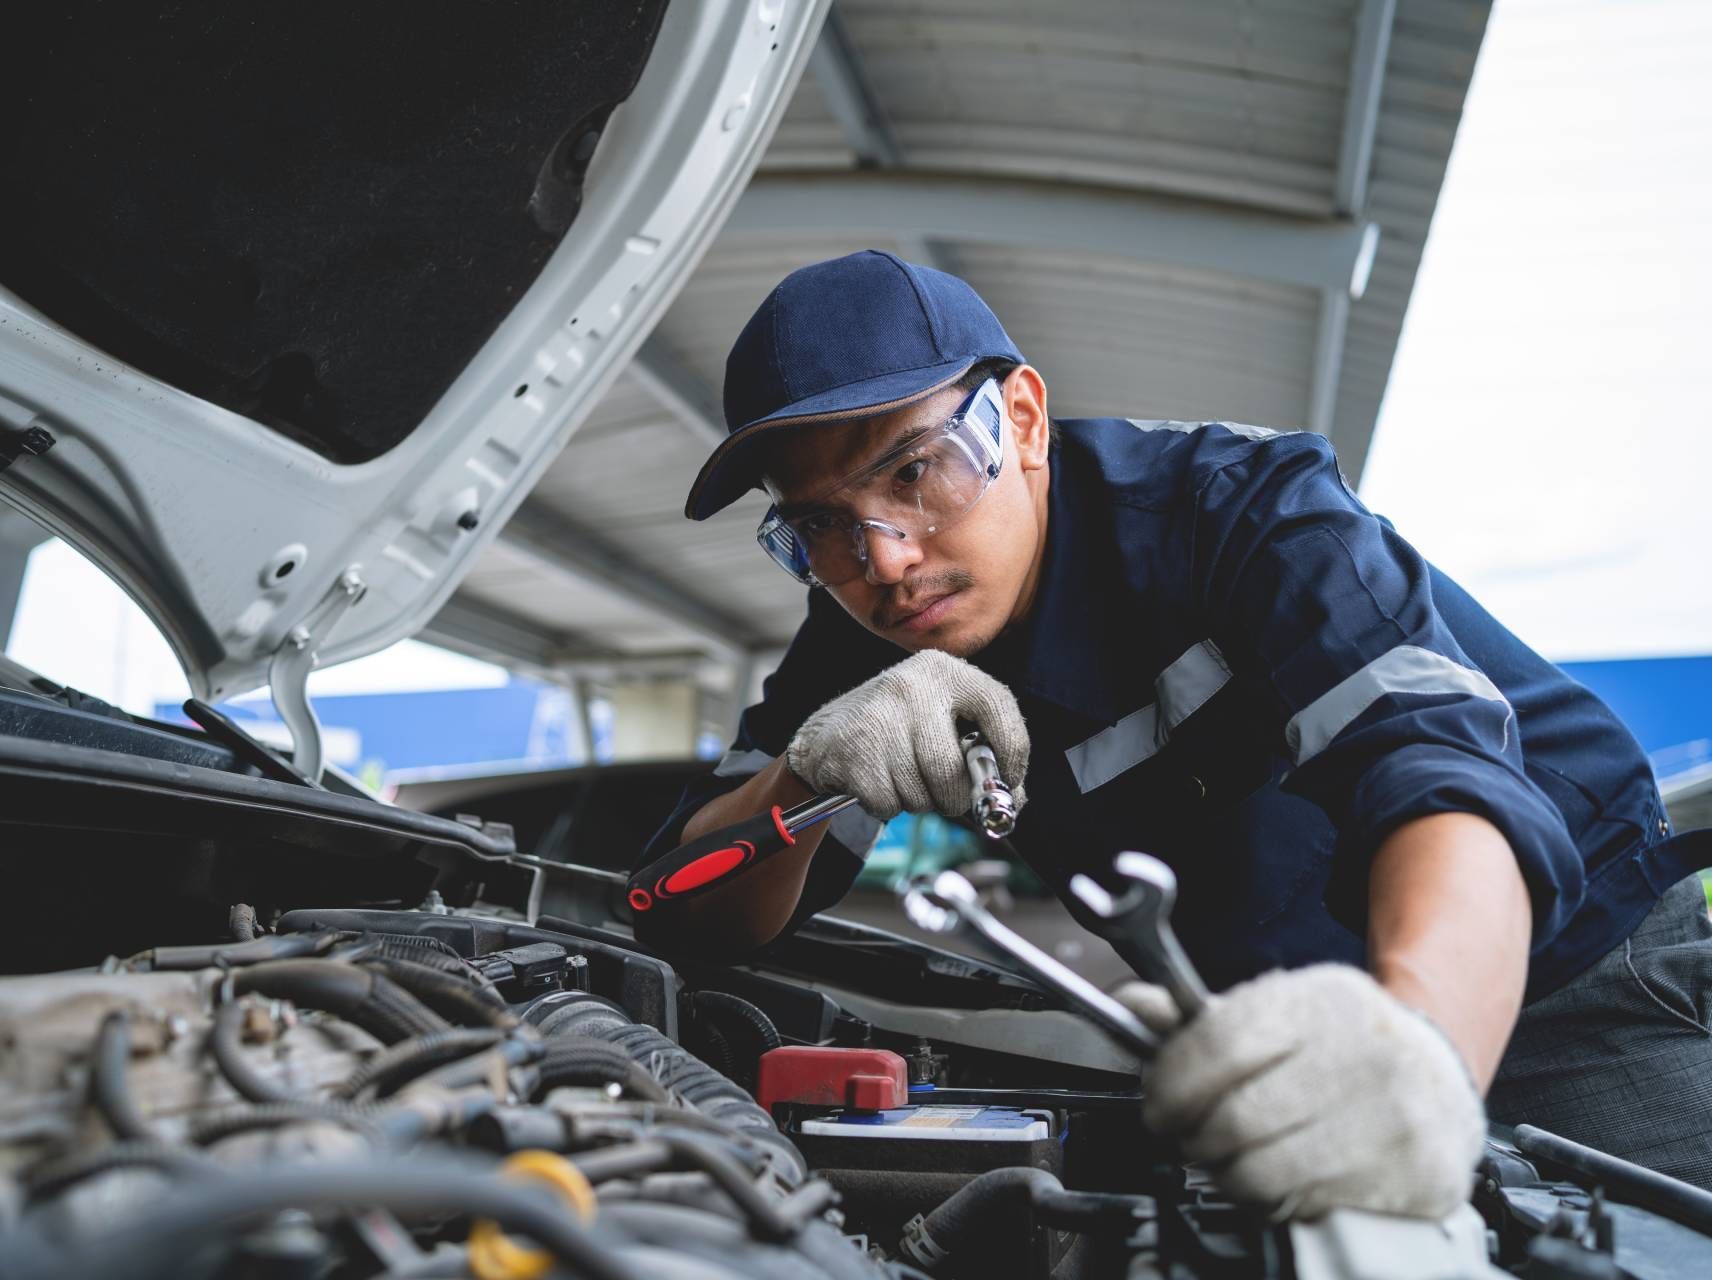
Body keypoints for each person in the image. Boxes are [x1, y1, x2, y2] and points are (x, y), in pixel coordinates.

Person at [633, 250, 1712, 1216]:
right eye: (818, 522)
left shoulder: (1238, 510)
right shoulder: (860, 639)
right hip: (1282, 1047)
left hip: (1573, 980)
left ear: (1020, 417)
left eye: (914, 472)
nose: (886, 557)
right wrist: (801, 777)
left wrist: (1414, 1051)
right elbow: (683, 910)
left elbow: (1439, 769)